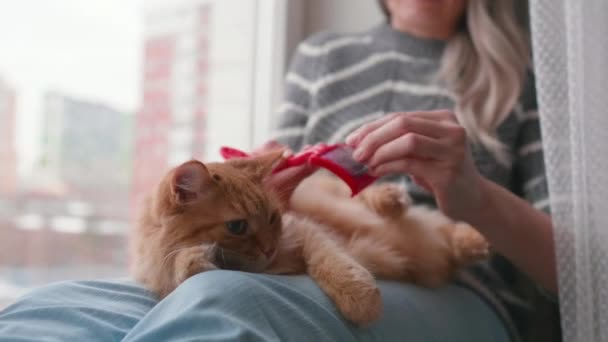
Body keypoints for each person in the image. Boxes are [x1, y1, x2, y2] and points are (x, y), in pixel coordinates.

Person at [0, 0, 560, 341]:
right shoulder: (321, 56)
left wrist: (474, 198)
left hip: (447, 283)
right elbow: (268, 195)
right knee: (51, 313)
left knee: (226, 306)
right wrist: (258, 184)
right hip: (289, 255)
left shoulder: (524, 76)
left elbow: (574, 273)